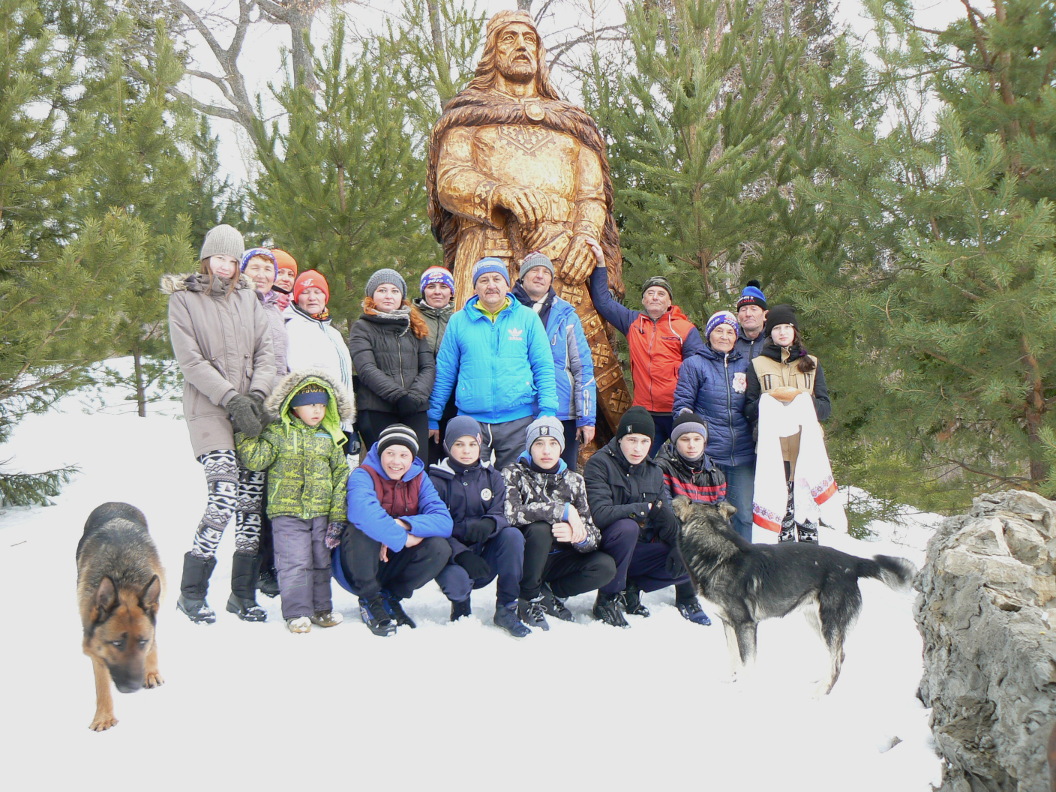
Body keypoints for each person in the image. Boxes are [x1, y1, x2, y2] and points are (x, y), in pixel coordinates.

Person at [427, 9, 631, 435]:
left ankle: (584, 454)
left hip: (565, 258)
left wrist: (585, 237)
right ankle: (473, 446)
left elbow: (592, 196)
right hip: (489, 254)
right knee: (484, 356)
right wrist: (497, 193)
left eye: (529, 39)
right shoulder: (468, 116)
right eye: (509, 38)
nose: (521, 45)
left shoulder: (572, 124)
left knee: (583, 363)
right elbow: (450, 180)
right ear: (491, 51)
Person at [163, 223, 275, 624]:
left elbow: (266, 351)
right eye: (219, 258)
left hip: (251, 408)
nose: (225, 266)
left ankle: (242, 595)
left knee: (251, 500)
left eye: (232, 259)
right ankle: (191, 592)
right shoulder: (183, 299)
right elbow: (190, 361)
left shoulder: (249, 298)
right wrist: (231, 398)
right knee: (225, 494)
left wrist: (257, 396)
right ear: (206, 258)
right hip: (209, 408)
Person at [236, 370, 351, 633]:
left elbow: (341, 476)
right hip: (287, 512)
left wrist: (337, 516)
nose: (317, 411)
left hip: (321, 512)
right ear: (293, 405)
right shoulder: (278, 433)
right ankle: (297, 612)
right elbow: (256, 459)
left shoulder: (330, 437)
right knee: (294, 562)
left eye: (322, 405)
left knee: (321, 561)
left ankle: (322, 609)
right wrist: (244, 431)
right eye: (310, 405)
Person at [582, 407, 709, 627]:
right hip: (604, 550)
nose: (638, 448)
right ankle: (607, 599)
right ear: (620, 439)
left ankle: (632, 588)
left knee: (693, 551)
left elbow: (664, 516)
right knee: (627, 527)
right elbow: (599, 514)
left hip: (638, 550)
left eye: (644, 441)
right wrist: (643, 508)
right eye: (632, 440)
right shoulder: (600, 464)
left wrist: (681, 545)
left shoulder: (653, 471)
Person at [428, 257, 557, 471]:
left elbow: (543, 366)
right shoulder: (458, 321)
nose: (491, 285)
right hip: (471, 421)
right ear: (475, 287)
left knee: (515, 481)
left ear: (507, 284)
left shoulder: (527, 318)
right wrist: (433, 416)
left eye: (497, 279)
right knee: (470, 482)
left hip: (518, 419)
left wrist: (548, 410)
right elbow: (445, 372)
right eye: (484, 280)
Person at [587, 240, 704, 456]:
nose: (655, 297)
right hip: (645, 411)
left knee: (685, 461)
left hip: (677, 410)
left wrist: (691, 408)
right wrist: (601, 263)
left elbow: (697, 371)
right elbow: (603, 302)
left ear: (669, 302)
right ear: (643, 299)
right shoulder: (633, 322)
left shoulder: (684, 329)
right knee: (637, 460)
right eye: (650, 293)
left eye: (661, 293)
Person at [334, 425, 453, 636]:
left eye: (403, 455)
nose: (396, 461)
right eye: (390, 453)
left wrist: (404, 524)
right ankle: (370, 600)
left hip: (393, 560)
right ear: (380, 453)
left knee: (439, 547)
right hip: (357, 562)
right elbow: (362, 512)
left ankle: (390, 597)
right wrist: (401, 538)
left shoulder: (419, 478)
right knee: (361, 531)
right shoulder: (363, 474)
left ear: (412, 458)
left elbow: (444, 521)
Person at [502, 416, 616, 630]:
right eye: (539, 443)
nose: (546, 451)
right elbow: (511, 514)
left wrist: (578, 536)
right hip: (526, 558)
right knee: (540, 529)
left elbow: (593, 535)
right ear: (530, 447)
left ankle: (551, 593)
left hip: (558, 560)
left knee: (605, 566)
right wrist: (562, 510)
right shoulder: (514, 473)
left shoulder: (574, 481)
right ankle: (528, 597)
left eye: (553, 443)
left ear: (561, 447)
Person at [430, 416, 531, 637]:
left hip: (485, 555)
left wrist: (491, 523)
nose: (466, 450)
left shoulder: (492, 476)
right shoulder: (436, 481)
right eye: (459, 444)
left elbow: (502, 511)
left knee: (513, 536)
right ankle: (461, 605)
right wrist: (461, 553)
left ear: (480, 445)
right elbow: (434, 527)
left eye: (472, 444)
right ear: (448, 445)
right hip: (453, 557)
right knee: (456, 581)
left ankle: (506, 607)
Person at [744, 304, 836, 543]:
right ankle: (783, 558)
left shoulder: (812, 363)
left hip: (806, 447)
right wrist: (768, 399)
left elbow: (825, 408)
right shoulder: (757, 364)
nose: (782, 332)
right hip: (774, 450)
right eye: (777, 328)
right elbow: (748, 410)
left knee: (807, 515)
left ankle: (810, 558)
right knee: (781, 511)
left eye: (787, 327)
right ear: (769, 333)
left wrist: (802, 400)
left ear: (795, 331)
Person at [672, 310, 756, 540]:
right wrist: (691, 440)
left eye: (730, 332)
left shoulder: (747, 366)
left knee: (743, 515)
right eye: (719, 330)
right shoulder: (694, 364)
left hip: (742, 454)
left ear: (736, 336)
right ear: (709, 334)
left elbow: (755, 403)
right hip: (708, 458)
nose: (724, 336)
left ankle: (743, 560)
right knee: (705, 518)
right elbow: (682, 405)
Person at [511, 251, 596, 468]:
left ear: (551, 279)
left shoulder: (566, 315)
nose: (540, 276)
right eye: (534, 270)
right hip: (517, 411)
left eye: (545, 272)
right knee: (519, 473)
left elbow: (583, 367)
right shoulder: (507, 311)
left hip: (561, 411)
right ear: (522, 276)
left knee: (563, 474)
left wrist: (586, 418)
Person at [348, 268, 435, 456]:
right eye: (382, 290)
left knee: (418, 466)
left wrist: (415, 397)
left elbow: (428, 366)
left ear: (401, 296)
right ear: (372, 295)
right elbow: (366, 368)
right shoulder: (362, 327)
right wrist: (399, 397)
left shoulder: (414, 326)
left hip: (414, 409)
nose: (389, 296)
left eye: (395, 291)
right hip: (377, 410)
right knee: (385, 467)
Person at [284, 269, 357, 449]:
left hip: (339, 420)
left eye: (317, 292)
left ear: (325, 297)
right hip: (316, 419)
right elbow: (298, 375)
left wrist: (347, 421)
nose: (312, 298)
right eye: (305, 292)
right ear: (296, 298)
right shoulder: (294, 328)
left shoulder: (332, 332)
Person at [415, 266, 457, 465]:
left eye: (443, 286)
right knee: (425, 460)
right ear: (423, 290)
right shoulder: (412, 318)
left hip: (452, 401)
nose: (437, 292)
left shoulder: (460, 318)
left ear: (451, 291)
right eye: (431, 286)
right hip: (421, 399)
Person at [655, 412, 727, 505]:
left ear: (704, 442)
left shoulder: (715, 475)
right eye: (685, 440)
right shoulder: (662, 468)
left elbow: (722, 510)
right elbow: (665, 507)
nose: (691, 445)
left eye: (697, 439)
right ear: (675, 442)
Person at [734, 280, 768, 360]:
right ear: (738, 316)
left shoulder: (774, 340)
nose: (748, 314)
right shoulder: (731, 341)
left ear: (765, 315)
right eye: (743, 310)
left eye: (754, 309)